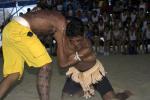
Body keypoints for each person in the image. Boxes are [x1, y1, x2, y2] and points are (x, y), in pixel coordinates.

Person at [54, 17, 132, 100]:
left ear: (83, 35)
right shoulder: (63, 40)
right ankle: (85, 88)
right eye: (74, 40)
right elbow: (62, 64)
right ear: (68, 37)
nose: (77, 44)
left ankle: (125, 93)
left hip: (95, 73)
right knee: (65, 98)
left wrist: (62, 45)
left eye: (80, 40)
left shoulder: (87, 46)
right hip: (77, 74)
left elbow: (63, 64)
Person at [0, 8, 67, 100]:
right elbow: (62, 59)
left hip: (9, 29)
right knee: (45, 65)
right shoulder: (61, 24)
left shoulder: (49, 15)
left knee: (13, 74)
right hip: (20, 30)